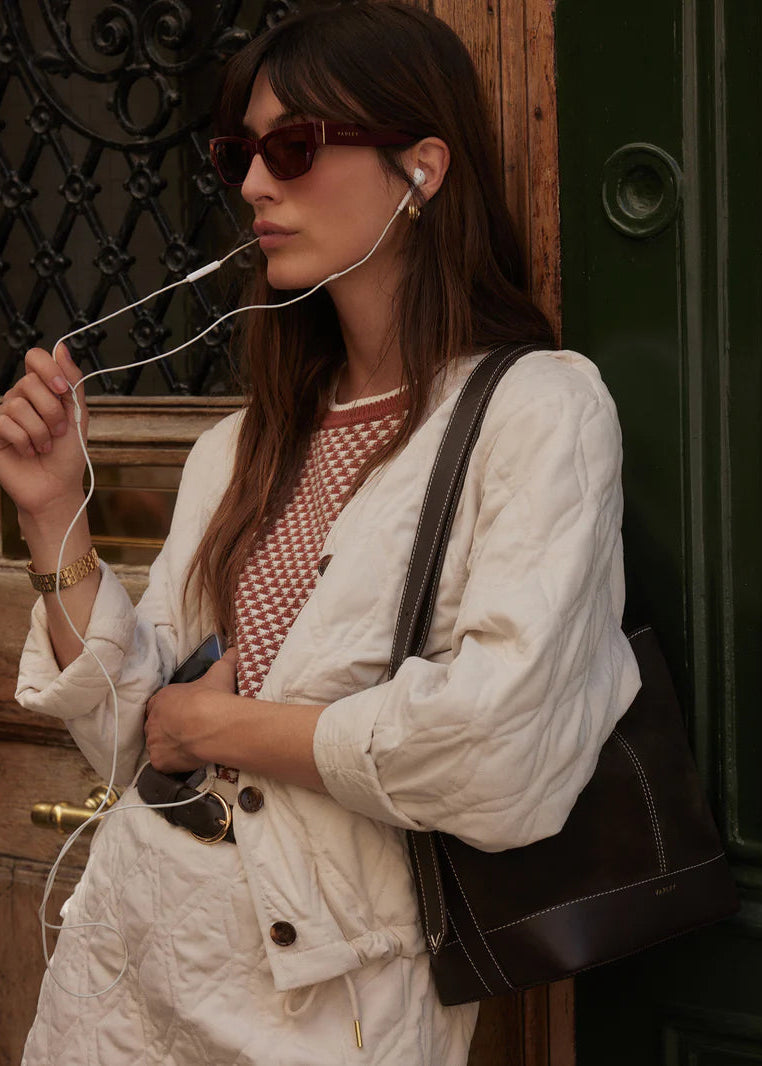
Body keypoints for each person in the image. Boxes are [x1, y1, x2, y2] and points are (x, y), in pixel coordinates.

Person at [0, 3, 641, 1063]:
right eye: (239, 152)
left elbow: (499, 747)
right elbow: (127, 731)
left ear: (423, 168)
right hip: (125, 968)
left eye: (294, 147)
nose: (255, 184)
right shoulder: (240, 444)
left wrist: (213, 729)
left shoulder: (537, 411)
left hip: (328, 1000)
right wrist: (51, 508)